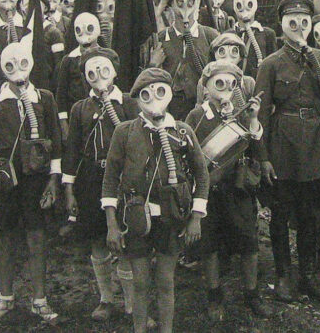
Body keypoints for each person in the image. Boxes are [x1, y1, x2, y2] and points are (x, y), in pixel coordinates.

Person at [256, 0, 320, 302]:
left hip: (317, 144)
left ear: (311, 25)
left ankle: (309, 273)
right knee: (281, 213)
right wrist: (264, 157)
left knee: (312, 212)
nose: (298, 28)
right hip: (283, 145)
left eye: (304, 22)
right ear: (281, 26)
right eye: (292, 22)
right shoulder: (270, 65)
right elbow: (260, 115)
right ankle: (284, 275)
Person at [103, 68, 209, 333]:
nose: (154, 99)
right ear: (137, 99)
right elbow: (110, 178)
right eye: (146, 95)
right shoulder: (125, 132)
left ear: (170, 94)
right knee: (140, 283)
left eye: (160, 91)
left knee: (165, 281)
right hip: (136, 218)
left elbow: (202, 174)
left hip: (171, 218)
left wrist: (196, 216)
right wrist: (111, 224)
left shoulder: (182, 132)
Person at [0, 41, 62, 323]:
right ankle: (5, 297)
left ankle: (40, 299)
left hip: (35, 179)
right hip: (7, 180)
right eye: (10, 65)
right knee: (6, 235)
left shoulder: (45, 98)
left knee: (37, 235)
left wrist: (53, 180)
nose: (18, 71)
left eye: (23, 63)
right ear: (3, 68)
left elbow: (57, 143)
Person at [185, 60, 269, 320]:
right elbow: (189, 156)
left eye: (232, 84)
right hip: (209, 192)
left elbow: (256, 146)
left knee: (248, 242)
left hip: (238, 188)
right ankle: (214, 297)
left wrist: (253, 118)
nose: (225, 90)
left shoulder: (242, 113)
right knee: (209, 246)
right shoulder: (196, 117)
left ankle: (252, 295)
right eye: (219, 83)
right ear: (206, 87)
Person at [62, 47, 138, 322]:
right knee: (97, 238)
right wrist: (69, 189)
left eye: (104, 69)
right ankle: (106, 298)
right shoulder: (80, 108)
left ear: (115, 72)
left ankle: (131, 303)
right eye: (91, 72)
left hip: (123, 179)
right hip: (92, 179)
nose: (99, 76)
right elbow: (72, 150)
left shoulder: (130, 102)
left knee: (127, 240)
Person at [145, 0, 219, 121]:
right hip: (169, 111)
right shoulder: (158, 40)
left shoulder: (210, 36)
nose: (186, 5)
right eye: (180, 0)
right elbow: (145, 81)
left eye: (191, 0)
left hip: (202, 112)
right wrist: (153, 65)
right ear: (171, 4)